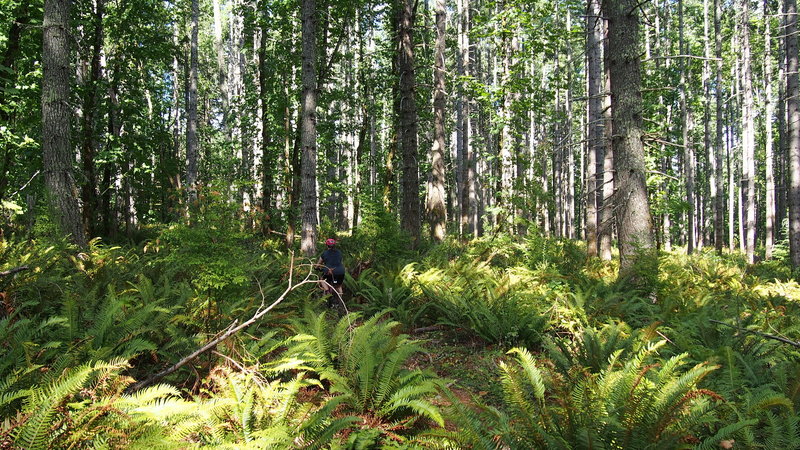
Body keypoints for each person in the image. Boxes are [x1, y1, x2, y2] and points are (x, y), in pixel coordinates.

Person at [317, 238, 345, 307]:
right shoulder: (339, 252)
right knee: (338, 286)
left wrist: (317, 268)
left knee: (322, 279)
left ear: (327, 245)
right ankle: (340, 303)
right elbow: (340, 262)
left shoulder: (324, 253)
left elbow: (318, 264)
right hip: (340, 271)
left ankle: (327, 291)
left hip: (329, 271)